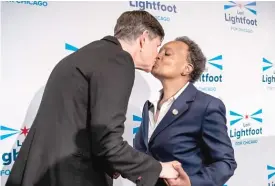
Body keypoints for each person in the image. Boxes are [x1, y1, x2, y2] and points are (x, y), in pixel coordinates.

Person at [6, 10, 180, 186]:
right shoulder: (118, 60)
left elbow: (82, 130)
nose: (157, 54)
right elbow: (108, 143)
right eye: (157, 46)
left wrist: (114, 165)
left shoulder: (88, 55)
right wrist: (159, 169)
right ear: (143, 39)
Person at [134, 36, 237, 186]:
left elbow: (226, 163)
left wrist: (190, 183)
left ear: (187, 69)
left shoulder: (207, 106)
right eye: (159, 52)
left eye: (167, 54)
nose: (158, 56)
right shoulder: (149, 105)